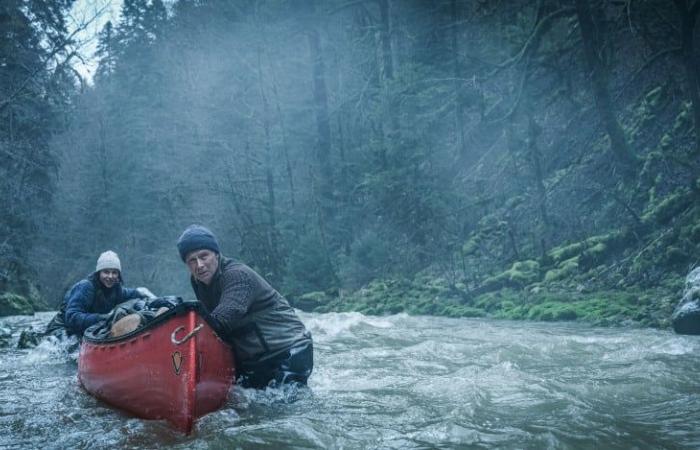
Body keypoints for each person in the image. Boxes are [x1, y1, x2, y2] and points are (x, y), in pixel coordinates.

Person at [177, 224, 313, 389]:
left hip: (288, 351)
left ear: (217, 255)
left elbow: (220, 322)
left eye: (203, 256)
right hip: (255, 359)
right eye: (192, 260)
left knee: (284, 406)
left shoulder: (237, 275)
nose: (199, 265)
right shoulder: (198, 282)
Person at [45, 250, 155, 337]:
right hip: (61, 329)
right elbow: (72, 317)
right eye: (106, 272)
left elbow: (130, 293)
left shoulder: (116, 289)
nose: (110, 276)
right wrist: (105, 318)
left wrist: (144, 292)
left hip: (87, 329)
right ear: (99, 273)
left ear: (118, 275)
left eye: (114, 272)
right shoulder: (86, 287)